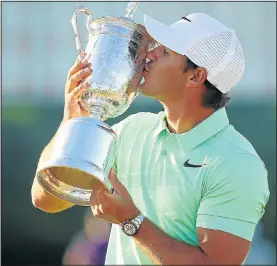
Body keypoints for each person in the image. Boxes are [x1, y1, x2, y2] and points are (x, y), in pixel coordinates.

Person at [32, 13, 270, 265]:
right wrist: (72, 120)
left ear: (196, 76)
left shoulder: (237, 163)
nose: (149, 55)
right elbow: (47, 199)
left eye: (165, 52)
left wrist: (131, 220)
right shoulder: (131, 130)